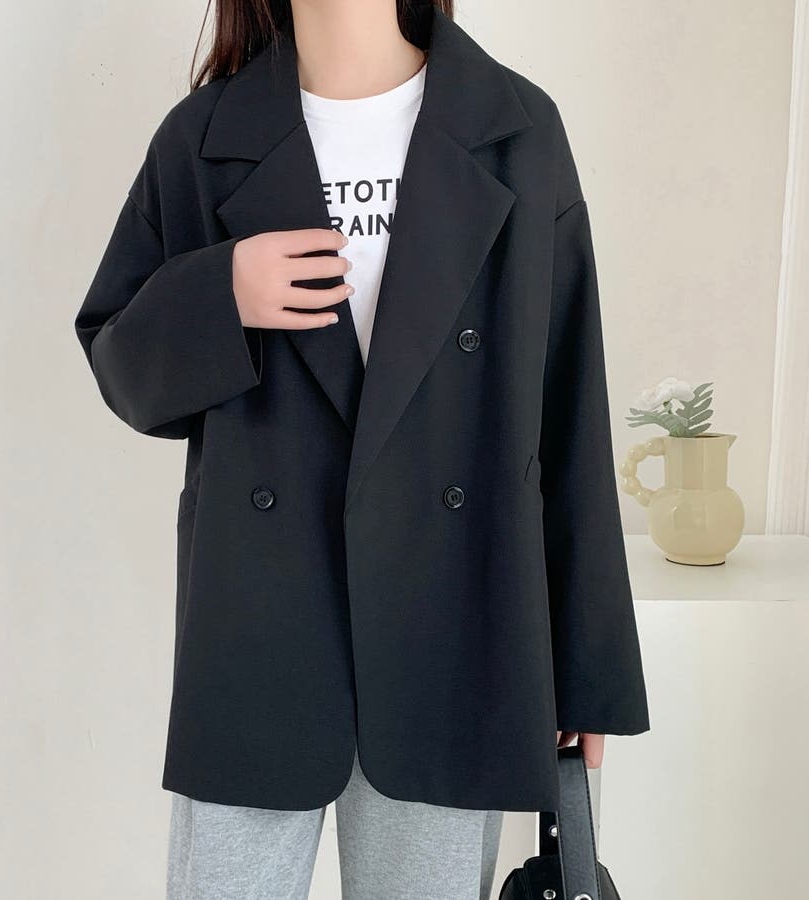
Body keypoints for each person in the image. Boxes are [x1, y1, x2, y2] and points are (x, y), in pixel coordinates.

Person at [73, 1, 651, 897]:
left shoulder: (515, 129)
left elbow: (569, 404)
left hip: (452, 628)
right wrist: (222, 291)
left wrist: (585, 671)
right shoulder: (203, 139)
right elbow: (121, 366)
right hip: (258, 634)